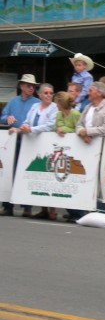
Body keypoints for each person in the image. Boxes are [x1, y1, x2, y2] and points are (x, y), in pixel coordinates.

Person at [69, 81, 105, 222]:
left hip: (102, 149)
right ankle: (83, 209)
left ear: (99, 93)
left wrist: (88, 132)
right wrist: (82, 133)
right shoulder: (88, 107)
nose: (88, 93)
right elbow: (78, 125)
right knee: (84, 177)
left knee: (99, 180)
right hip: (85, 148)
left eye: (90, 90)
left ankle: (100, 209)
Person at [11, 83, 58, 220]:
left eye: (51, 93)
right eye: (46, 93)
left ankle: (52, 209)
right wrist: (23, 127)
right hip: (33, 145)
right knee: (37, 175)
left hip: (48, 145)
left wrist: (31, 130)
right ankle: (43, 208)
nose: (49, 95)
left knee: (50, 176)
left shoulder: (54, 108)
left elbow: (50, 126)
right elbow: (27, 121)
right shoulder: (34, 107)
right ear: (40, 94)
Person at [0, 74, 41, 217]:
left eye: (33, 86)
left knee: (25, 172)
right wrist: (7, 118)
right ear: (21, 86)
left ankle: (27, 206)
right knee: (9, 170)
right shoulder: (13, 101)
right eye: (28, 85)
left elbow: (38, 120)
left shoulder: (36, 102)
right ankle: (7, 205)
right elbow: (3, 116)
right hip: (13, 140)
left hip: (27, 139)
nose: (31, 88)